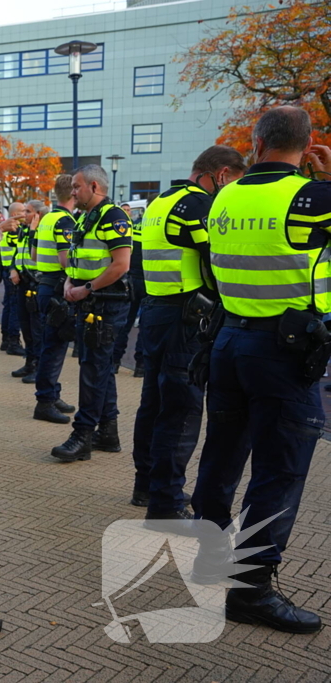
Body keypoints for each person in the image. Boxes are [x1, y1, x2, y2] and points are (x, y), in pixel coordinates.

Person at [191, 107, 331, 634]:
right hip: (284, 353)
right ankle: (250, 591)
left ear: (255, 142)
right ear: (308, 142)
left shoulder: (227, 194)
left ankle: (209, 560)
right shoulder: (312, 197)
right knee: (279, 471)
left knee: (221, 458)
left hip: (229, 342)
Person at [130, 145, 246, 521]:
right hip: (186, 317)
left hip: (157, 312)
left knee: (154, 404)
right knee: (180, 411)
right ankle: (166, 503)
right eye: (230, 183)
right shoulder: (198, 205)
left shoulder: (162, 200)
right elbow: (214, 260)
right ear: (222, 174)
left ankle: (146, 486)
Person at [50, 165, 132, 462]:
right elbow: (79, 257)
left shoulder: (113, 216)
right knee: (99, 367)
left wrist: (87, 288)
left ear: (94, 186)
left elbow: (121, 264)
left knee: (94, 370)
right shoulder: (88, 216)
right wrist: (72, 281)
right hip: (90, 301)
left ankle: (83, 435)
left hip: (105, 303)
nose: (72, 192)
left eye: (76, 186)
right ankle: (108, 431)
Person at [32, 176, 79, 424]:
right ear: (73, 193)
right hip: (57, 287)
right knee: (54, 346)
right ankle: (45, 401)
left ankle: (52, 393)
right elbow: (65, 260)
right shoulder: (64, 220)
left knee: (52, 345)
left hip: (45, 285)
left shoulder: (48, 217)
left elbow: (33, 252)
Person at [10, 201, 44, 383]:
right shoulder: (22, 231)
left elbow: (34, 254)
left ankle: (38, 366)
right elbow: (18, 252)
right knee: (25, 325)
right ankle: (29, 362)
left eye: (27, 212)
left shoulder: (40, 230)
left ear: (37, 214)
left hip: (36, 282)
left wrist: (33, 229)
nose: (24, 215)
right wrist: (13, 269)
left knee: (36, 327)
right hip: (23, 281)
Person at [112, 201, 146, 376]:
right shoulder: (149, 230)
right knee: (144, 326)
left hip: (130, 281)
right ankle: (140, 365)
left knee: (125, 323)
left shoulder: (129, 231)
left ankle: (115, 361)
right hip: (147, 282)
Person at [0, 208, 24, 356]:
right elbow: (19, 249)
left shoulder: (5, 228)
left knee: (8, 306)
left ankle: (6, 339)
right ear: (15, 214)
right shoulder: (13, 229)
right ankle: (13, 341)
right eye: (23, 210)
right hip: (12, 271)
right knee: (14, 306)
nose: (25, 214)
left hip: (6, 269)